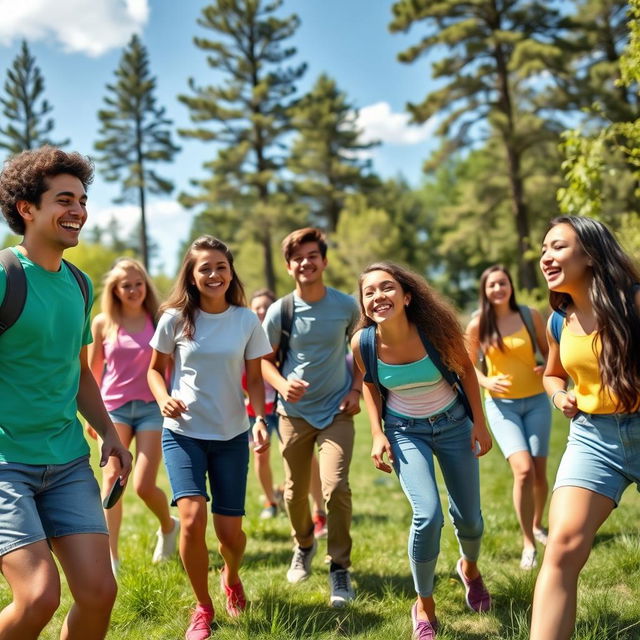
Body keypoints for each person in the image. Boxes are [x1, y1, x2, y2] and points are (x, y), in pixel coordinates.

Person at [0, 146, 132, 640]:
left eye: (81, 199)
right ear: (27, 209)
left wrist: (109, 436)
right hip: (6, 463)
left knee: (99, 593)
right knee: (37, 597)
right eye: (63, 199)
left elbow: (77, 372)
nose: (78, 210)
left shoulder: (79, 284)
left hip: (68, 461)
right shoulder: (4, 275)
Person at [351, 262, 492, 640]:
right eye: (370, 292)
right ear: (364, 303)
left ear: (407, 295)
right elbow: (369, 384)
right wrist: (377, 434)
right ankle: (424, 604)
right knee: (427, 515)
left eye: (387, 287)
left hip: (453, 425)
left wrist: (480, 423)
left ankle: (470, 569)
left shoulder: (434, 330)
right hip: (404, 431)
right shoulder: (363, 342)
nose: (379, 296)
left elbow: (465, 371)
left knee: (471, 520)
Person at [147, 235, 271, 640]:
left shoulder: (246, 320)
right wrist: (164, 398)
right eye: (205, 268)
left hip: (232, 434)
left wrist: (259, 419)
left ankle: (231, 576)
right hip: (183, 434)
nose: (214, 274)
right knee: (191, 519)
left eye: (221, 266)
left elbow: (254, 378)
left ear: (230, 271)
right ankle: (202, 607)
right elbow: (154, 370)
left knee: (230, 535)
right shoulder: (174, 319)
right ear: (192, 274)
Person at [530, 216, 640, 640]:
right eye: (543, 249)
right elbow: (552, 375)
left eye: (557, 246)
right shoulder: (561, 319)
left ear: (590, 254)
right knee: (561, 546)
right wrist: (559, 396)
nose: (546, 256)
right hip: (594, 439)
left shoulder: (634, 303)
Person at [261, 227, 362, 607]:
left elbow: (363, 351)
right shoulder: (280, 311)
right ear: (289, 267)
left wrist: (354, 390)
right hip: (293, 414)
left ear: (324, 261)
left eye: (312, 256)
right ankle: (303, 544)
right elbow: (263, 362)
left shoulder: (346, 307)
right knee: (293, 492)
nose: (306, 262)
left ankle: (339, 567)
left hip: (336, 411)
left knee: (335, 488)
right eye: (298, 258)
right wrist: (282, 385)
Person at [88, 258, 178, 572]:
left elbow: (171, 364)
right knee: (112, 479)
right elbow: (93, 371)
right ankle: (110, 558)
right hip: (114, 408)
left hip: (152, 408)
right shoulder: (102, 322)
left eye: (138, 284)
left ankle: (169, 526)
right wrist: (93, 416)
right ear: (115, 289)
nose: (133, 290)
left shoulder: (159, 318)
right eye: (126, 285)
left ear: (146, 286)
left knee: (141, 484)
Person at [465, 265, 550, 570]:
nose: (498, 289)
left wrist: (546, 367)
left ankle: (538, 524)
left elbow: (548, 351)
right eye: (492, 285)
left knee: (540, 472)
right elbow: (465, 364)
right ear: (484, 291)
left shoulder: (530, 315)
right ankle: (528, 542)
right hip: (502, 407)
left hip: (537, 401)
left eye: (503, 283)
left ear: (510, 285)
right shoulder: (478, 325)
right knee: (524, 470)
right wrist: (486, 382)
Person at [244, 289, 326, 530]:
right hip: (255, 409)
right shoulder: (243, 338)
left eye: (266, 307)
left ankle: (318, 507)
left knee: (304, 456)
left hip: (286, 405)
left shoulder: (284, 337)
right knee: (260, 455)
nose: (261, 311)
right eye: (256, 307)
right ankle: (271, 501)